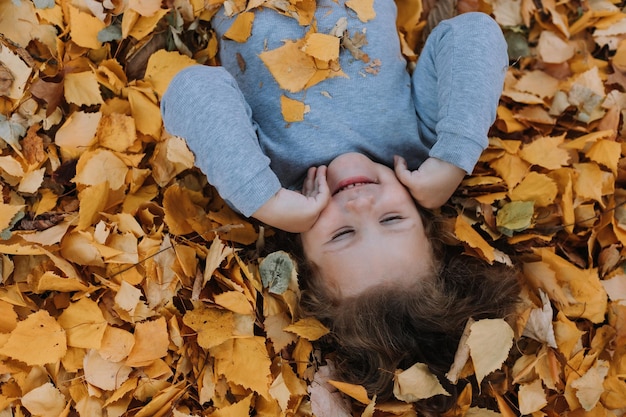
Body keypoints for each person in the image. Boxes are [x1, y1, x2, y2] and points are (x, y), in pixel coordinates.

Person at [161, 0, 520, 412]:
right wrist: (452, 159)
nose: (362, 204)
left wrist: (266, 201)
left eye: (343, 233)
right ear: (423, 214)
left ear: (301, 254)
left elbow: (190, 89)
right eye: (392, 218)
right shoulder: (420, 144)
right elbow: (473, 33)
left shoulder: (264, 176)